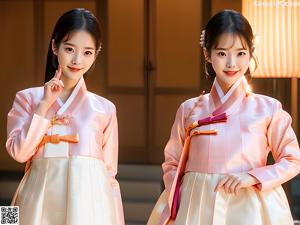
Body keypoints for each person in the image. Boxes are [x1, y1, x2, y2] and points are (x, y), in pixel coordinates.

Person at [149, 9, 300, 225]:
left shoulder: (268, 108)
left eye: (241, 53)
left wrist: (254, 177)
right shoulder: (189, 109)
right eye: (222, 53)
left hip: (250, 207)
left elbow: (293, 159)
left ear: (251, 53)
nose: (232, 63)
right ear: (207, 54)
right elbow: (172, 163)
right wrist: (182, 199)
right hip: (196, 205)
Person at [6, 8, 124, 225]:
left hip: (90, 206)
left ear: (96, 54)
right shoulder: (27, 98)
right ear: (54, 46)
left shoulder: (105, 108)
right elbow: (19, 153)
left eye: (88, 52)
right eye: (69, 49)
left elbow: (109, 177)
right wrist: (44, 106)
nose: (77, 59)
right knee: (8, 221)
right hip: (36, 201)